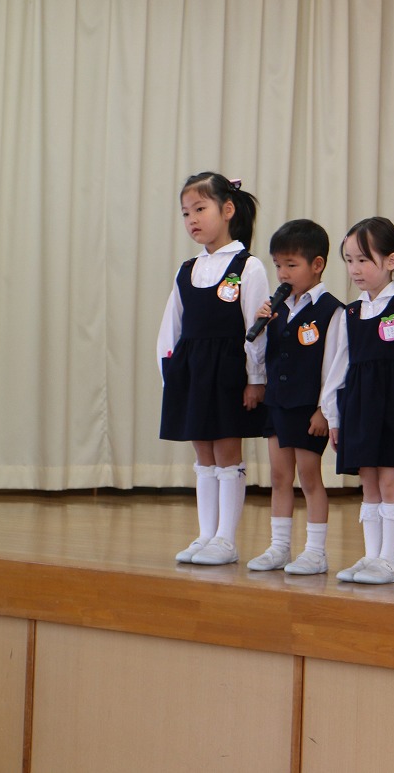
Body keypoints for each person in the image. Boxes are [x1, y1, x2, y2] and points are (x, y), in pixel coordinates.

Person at [320, 217, 394, 585]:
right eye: (349, 260)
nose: (355, 269)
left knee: (390, 483)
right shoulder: (349, 313)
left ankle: (389, 561)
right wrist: (333, 416)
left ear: (390, 261)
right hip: (359, 408)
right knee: (368, 484)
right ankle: (371, 557)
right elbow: (336, 368)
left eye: (363, 260)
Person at [158, 172, 268, 566]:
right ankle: (206, 534)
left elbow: (256, 328)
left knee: (226, 450)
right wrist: (170, 373)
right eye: (186, 212)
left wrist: (256, 378)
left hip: (228, 372)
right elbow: (172, 325)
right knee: (203, 453)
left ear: (227, 209)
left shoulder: (248, 266)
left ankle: (226, 538)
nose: (192, 219)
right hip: (192, 370)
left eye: (200, 209)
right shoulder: (186, 269)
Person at [246, 219, 345, 575]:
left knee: (309, 476)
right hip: (278, 402)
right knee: (278, 475)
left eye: (292, 265)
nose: (283, 273)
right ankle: (279, 547)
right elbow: (259, 357)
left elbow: (335, 365)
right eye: (278, 265)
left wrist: (324, 410)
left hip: (308, 407)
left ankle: (316, 552)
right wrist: (258, 329)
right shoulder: (277, 308)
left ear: (316, 265)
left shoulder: (333, 310)